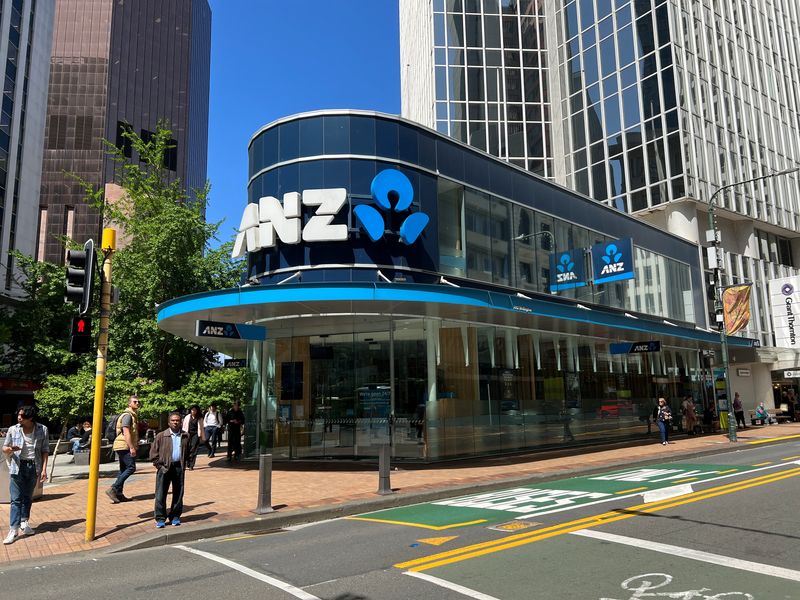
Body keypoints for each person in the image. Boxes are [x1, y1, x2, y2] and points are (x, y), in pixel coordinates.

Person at [2, 406, 49, 545]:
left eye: (22, 416)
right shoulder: (13, 429)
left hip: (34, 467)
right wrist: (10, 449)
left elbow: (45, 450)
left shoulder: (42, 429)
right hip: (17, 466)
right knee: (16, 499)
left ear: (30, 418)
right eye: (18, 415)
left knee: (28, 497)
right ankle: (13, 530)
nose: (19, 417)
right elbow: (4, 447)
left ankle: (24, 522)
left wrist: (44, 469)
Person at [149, 411, 189, 528]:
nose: (175, 422)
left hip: (179, 467)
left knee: (178, 493)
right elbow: (153, 453)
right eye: (173, 420)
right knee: (161, 494)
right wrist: (159, 466)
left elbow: (190, 450)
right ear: (168, 422)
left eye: (177, 420)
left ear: (180, 422)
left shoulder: (185, 435)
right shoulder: (161, 435)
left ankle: (175, 516)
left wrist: (187, 463)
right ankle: (160, 518)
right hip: (164, 468)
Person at [107, 395, 140, 503]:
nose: (137, 403)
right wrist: (131, 447)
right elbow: (126, 432)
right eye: (135, 402)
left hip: (121, 445)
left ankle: (119, 494)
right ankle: (114, 488)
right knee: (131, 468)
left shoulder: (133, 416)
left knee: (123, 470)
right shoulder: (128, 416)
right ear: (129, 404)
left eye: (138, 402)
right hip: (124, 445)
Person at [181, 405, 204, 469]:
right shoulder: (187, 417)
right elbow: (184, 426)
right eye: (192, 410)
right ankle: (187, 462)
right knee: (187, 449)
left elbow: (202, 428)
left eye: (195, 410)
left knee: (193, 449)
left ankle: (191, 465)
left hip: (196, 434)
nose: (193, 411)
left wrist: (202, 437)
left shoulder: (200, 418)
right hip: (188, 434)